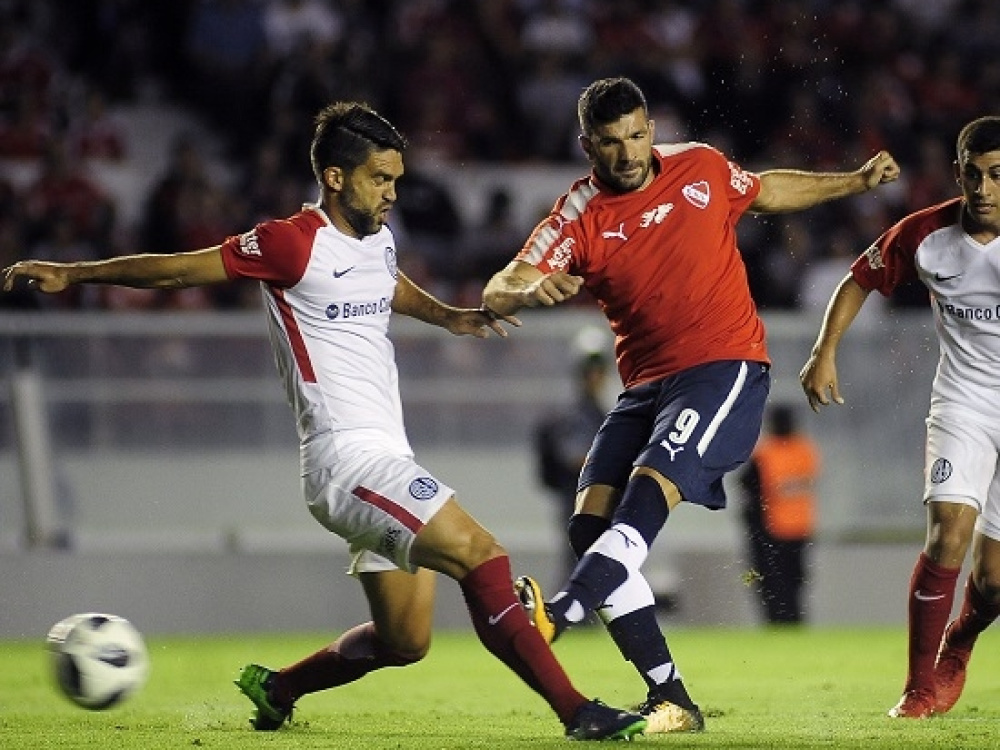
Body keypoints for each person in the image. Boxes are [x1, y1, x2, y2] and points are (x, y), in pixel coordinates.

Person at [1, 101, 646, 742]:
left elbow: (388, 285)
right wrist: (75, 273)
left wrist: (448, 315)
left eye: (396, 179)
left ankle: (278, 688)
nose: (392, 193)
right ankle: (578, 711)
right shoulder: (290, 242)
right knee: (483, 555)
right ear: (335, 178)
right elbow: (179, 270)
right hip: (347, 461)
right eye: (379, 179)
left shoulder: (379, 239)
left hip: (386, 460)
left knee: (405, 639)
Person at [481, 76, 900, 733]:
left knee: (648, 491)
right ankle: (672, 697)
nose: (628, 153)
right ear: (588, 145)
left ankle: (556, 615)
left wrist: (854, 181)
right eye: (611, 143)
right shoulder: (579, 214)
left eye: (638, 135)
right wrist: (529, 289)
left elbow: (765, 190)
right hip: (645, 386)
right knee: (589, 527)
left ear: (652, 128)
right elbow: (503, 283)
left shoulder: (700, 166)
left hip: (723, 366)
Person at [800, 115, 1000, 719]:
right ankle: (917, 688)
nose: (985, 189)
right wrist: (823, 348)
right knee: (948, 531)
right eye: (974, 175)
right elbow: (858, 280)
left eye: (997, 176)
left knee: (992, 584)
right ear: (957, 172)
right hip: (963, 402)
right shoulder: (925, 235)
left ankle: (960, 639)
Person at [533, 326, 612, 585]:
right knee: (580, 562)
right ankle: (572, 618)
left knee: (599, 563)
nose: (594, 376)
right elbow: (574, 457)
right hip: (579, 499)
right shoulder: (572, 415)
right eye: (589, 370)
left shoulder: (602, 411)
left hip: (602, 498)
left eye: (598, 369)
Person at [737, 403, 820, 625]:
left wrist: (752, 525)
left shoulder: (765, 453)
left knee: (772, 583)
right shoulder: (805, 450)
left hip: (771, 530)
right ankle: (792, 621)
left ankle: (778, 622)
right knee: (795, 581)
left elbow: (748, 491)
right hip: (799, 528)